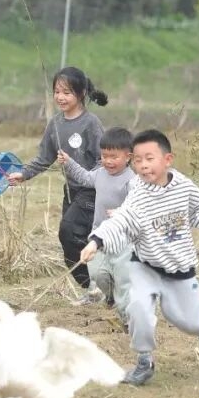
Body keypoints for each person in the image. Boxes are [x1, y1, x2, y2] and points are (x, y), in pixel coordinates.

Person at [79, 129, 199, 386]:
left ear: (167, 160)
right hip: (145, 267)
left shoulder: (184, 187)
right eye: (138, 161)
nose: (143, 166)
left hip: (180, 272)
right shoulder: (138, 194)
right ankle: (144, 362)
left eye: (149, 158)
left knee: (186, 321)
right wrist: (97, 240)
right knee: (138, 309)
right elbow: (122, 220)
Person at [7, 67, 107, 290]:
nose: (61, 97)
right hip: (70, 192)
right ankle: (93, 287)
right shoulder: (55, 124)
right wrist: (22, 174)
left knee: (68, 231)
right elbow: (44, 158)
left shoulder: (91, 124)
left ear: (81, 94)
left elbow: (105, 159)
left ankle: (99, 284)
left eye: (67, 92)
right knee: (69, 242)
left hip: (91, 191)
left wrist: (98, 182)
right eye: (57, 92)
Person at [59, 126, 136, 317]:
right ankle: (109, 295)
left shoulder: (132, 181)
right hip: (97, 236)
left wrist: (120, 212)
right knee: (98, 274)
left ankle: (126, 314)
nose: (108, 161)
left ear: (128, 157)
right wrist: (69, 162)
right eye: (104, 156)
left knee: (122, 277)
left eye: (114, 157)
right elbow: (84, 177)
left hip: (122, 240)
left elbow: (137, 207)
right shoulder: (100, 173)